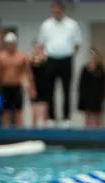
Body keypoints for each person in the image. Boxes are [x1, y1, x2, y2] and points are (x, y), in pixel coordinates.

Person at [38, 0, 82, 128]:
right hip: (50, 59)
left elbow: (78, 43)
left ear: (63, 9)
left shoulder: (72, 24)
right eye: (54, 9)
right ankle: (51, 118)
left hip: (66, 59)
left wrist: (70, 54)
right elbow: (41, 44)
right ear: (51, 10)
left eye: (58, 9)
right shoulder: (45, 25)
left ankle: (66, 118)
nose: (56, 11)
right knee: (49, 90)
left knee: (67, 89)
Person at [0, 32, 35, 128]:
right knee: (6, 112)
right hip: (5, 86)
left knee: (18, 111)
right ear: (5, 44)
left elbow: (28, 73)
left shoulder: (22, 56)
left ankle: (20, 134)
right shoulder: (1, 56)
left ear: (15, 43)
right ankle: (5, 134)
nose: (10, 46)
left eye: (12, 43)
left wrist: (32, 88)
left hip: (17, 86)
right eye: (8, 43)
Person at [77, 49, 105, 128]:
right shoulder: (85, 69)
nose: (91, 59)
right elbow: (81, 84)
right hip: (87, 96)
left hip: (97, 96)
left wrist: (102, 96)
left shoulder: (101, 70)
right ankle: (87, 131)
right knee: (88, 115)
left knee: (97, 115)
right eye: (90, 57)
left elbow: (103, 85)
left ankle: (98, 131)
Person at [29, 41, 50, 128]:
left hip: (45, 88)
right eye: (35, 48)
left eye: (39, 48)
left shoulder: (46, 60)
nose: (37, 50)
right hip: (34, 88)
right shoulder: (30, 61)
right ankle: (34, 132)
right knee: (35, 113)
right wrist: (31, 89)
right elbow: (28, 76)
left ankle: (46, 131)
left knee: (44, 112)